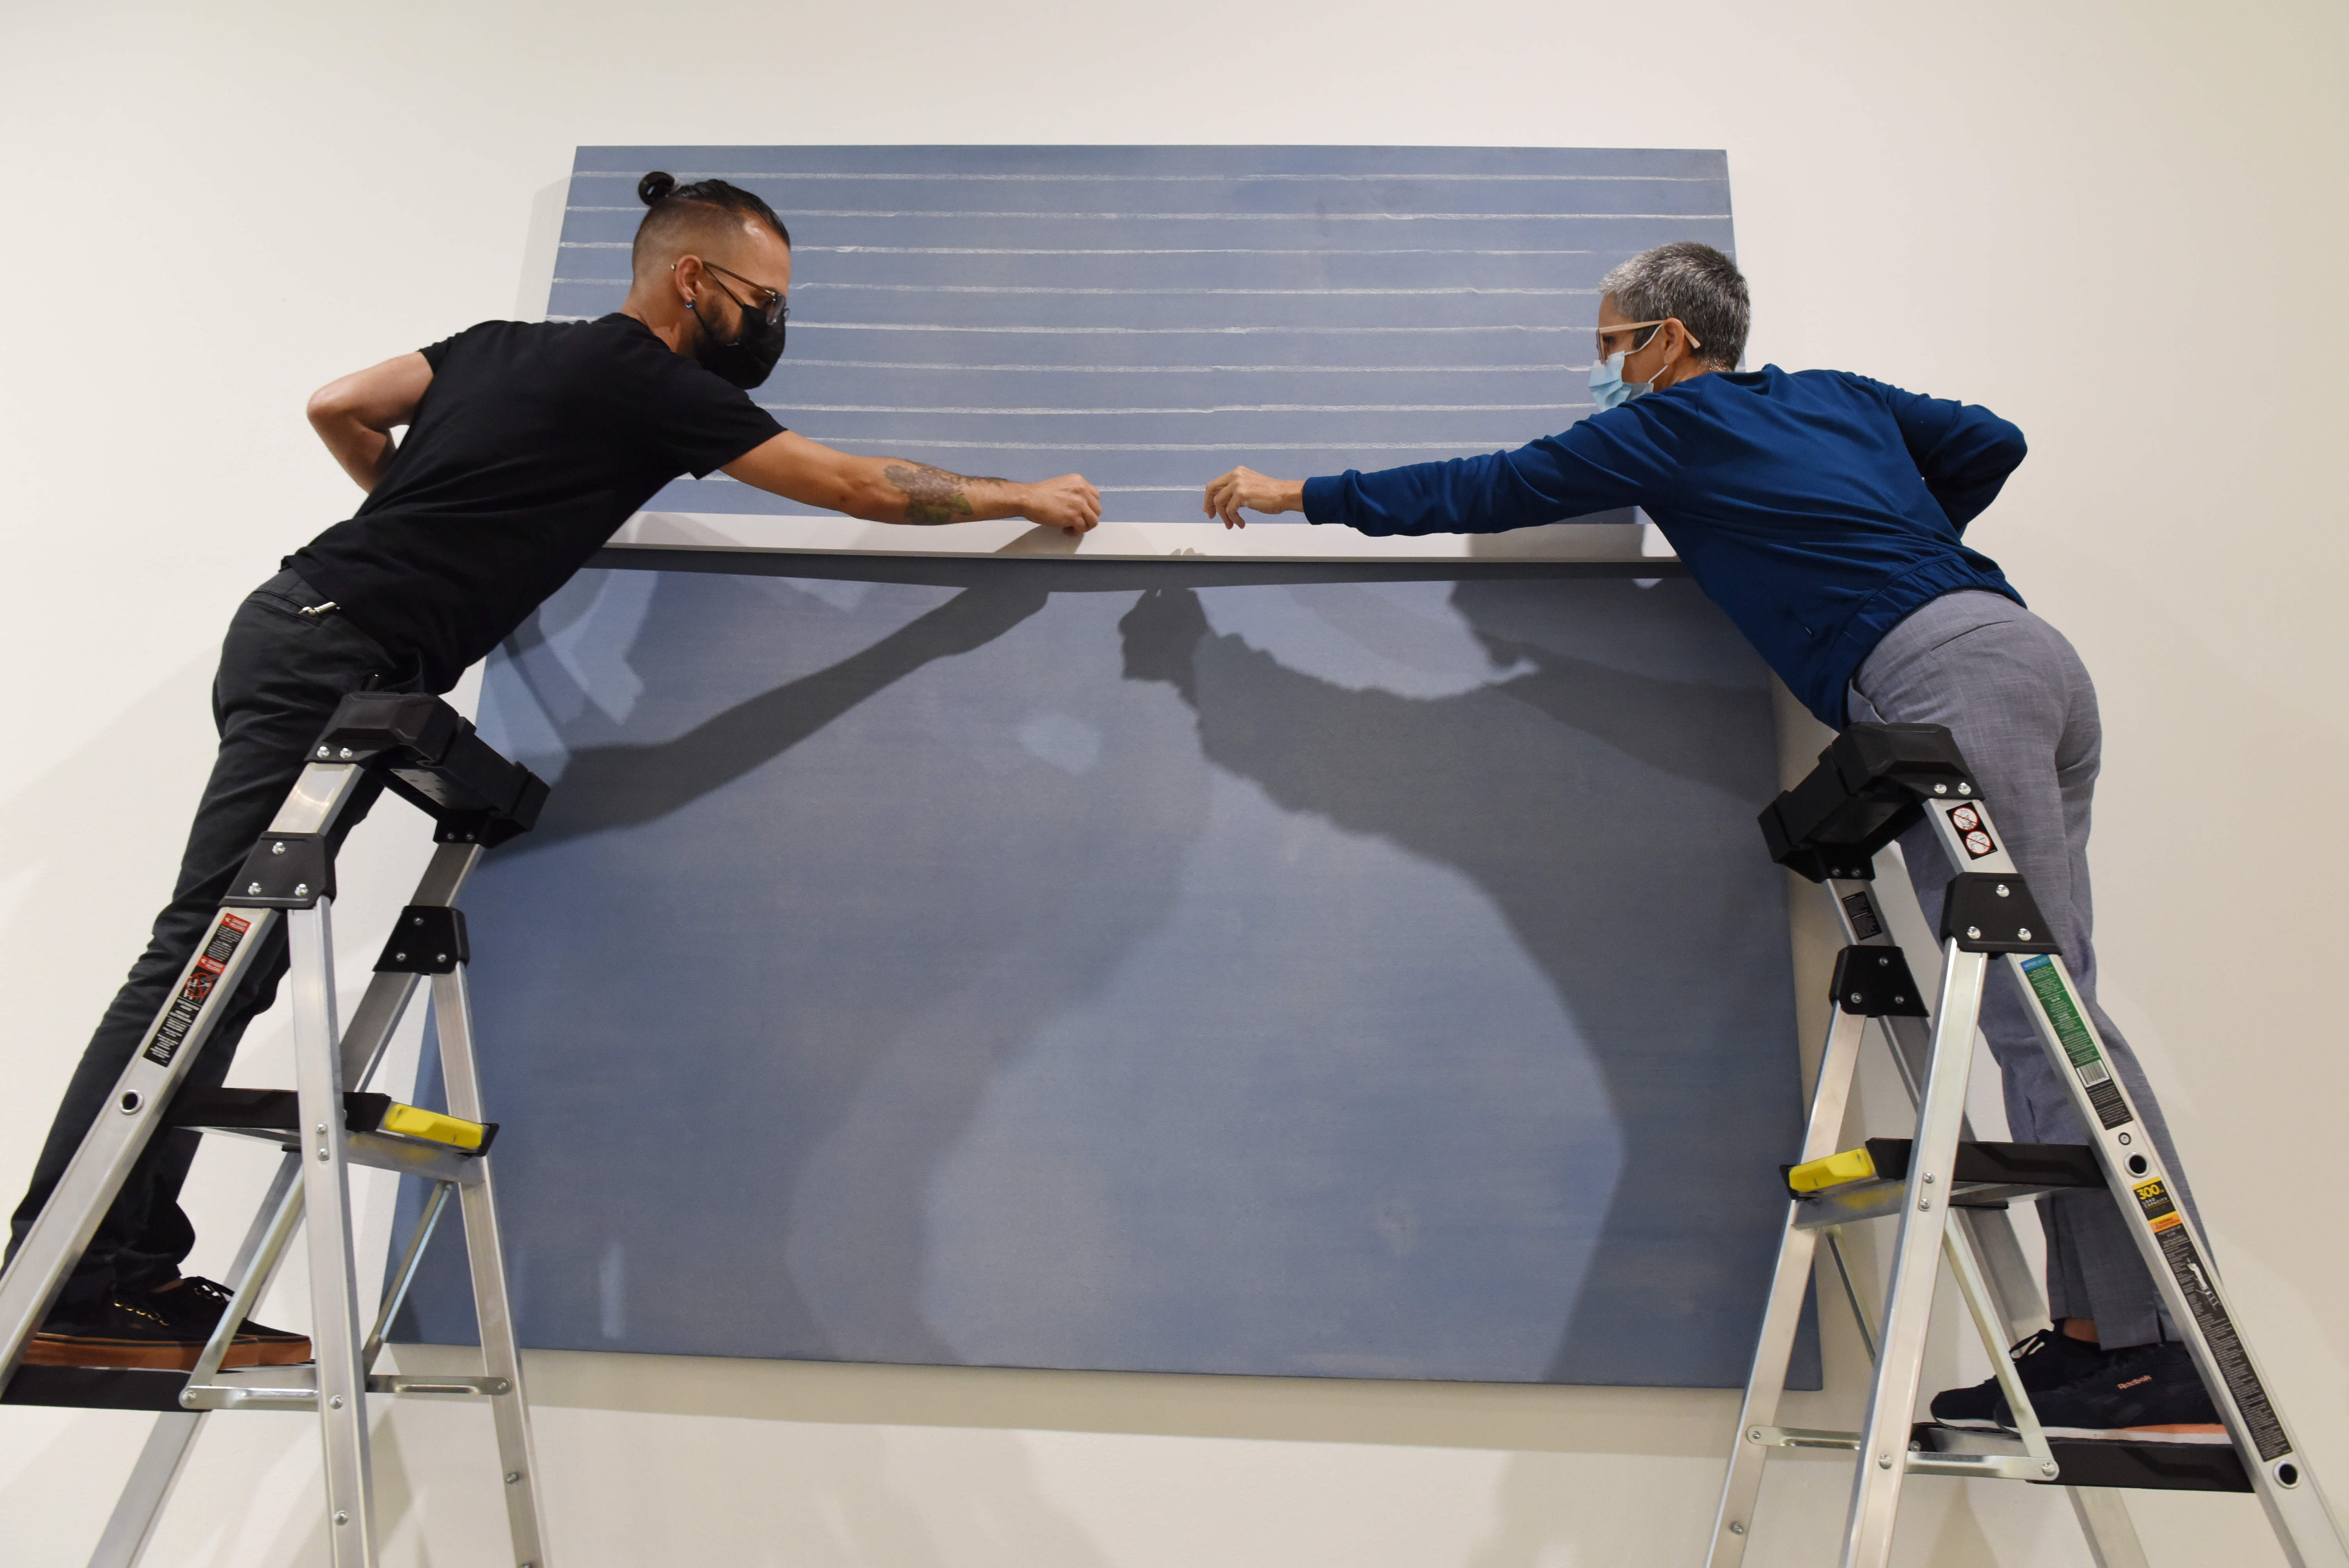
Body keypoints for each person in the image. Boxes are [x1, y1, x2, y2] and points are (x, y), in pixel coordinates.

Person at [7, 171, 1100, 1371]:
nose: (772, 326)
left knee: (237, 959)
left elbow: (339, 405)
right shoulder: (648, 381)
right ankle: (70, 1280)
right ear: (692, 277)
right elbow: (852, 486)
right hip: (332, 648)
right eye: (764, 302)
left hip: (321, 636)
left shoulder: (502, 345)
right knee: (208, 953)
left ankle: (122, 1273)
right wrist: (1020, 495)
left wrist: (423, 517)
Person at [1199, 241, 2222, 1444]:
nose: (1603, 367)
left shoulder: (1669, 429)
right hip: (2029, 659)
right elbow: (1989, 440)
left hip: (1944, 680)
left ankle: (2167, 1353)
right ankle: (2103, 1341)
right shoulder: (1832, 397)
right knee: (2044, 998)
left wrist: (1296, 494)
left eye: (1608, 344)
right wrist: (1897, 540)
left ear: (1669, 341)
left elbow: (1486, 488)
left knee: (2037, 1009)